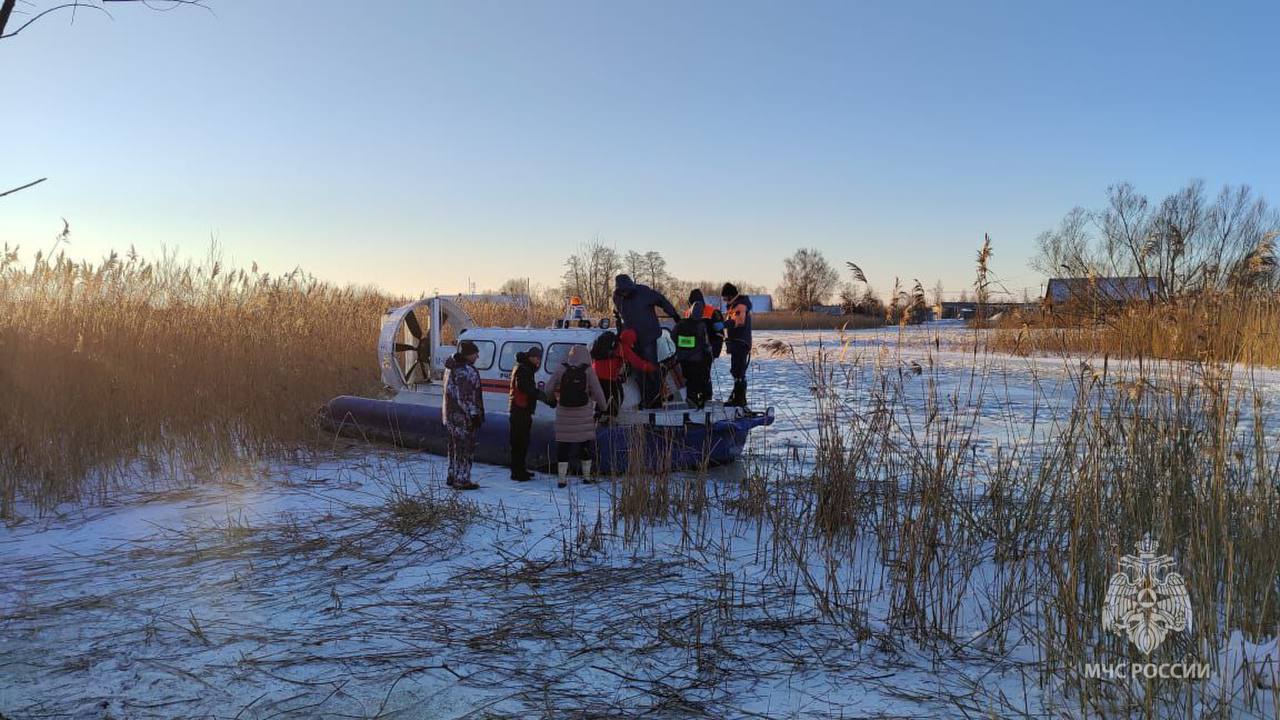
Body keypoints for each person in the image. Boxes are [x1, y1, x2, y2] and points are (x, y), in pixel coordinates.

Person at [611, 274, 679, 408]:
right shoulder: (617, 297)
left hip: (649, 336)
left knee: (652, 368)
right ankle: (646, 398)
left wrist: (673, 314)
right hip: (633, 340)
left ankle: (656, 399)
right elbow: (620, 316)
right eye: (622, 291)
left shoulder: (644, 292)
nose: (625, 293)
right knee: (638, 371)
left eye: (627, 290)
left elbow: (661, 300)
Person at [546, 344, 608, 488]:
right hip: (583, 416)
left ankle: (562, 479)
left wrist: (553, 400)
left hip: (564, 415)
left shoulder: (561, 369)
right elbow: (598, 392)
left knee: (563, 447)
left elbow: (548, 388)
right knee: (585, 446)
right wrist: (604, 407)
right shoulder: (588, 372)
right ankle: (586, 477)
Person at [442, 340, 485, 490]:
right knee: (465, 448)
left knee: (453, 447)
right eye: (475, 353)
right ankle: (462, 479)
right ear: (468, 354)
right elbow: (465, 397)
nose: (477, 356)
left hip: (450, 415)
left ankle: (452, 475)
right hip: (463, 417)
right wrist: (474, 414)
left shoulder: (450, 368)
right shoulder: (465, 371)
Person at [676, 289, 724, 408]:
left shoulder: (712, 312)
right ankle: (697, 399)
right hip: (694, 351)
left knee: (703, 375)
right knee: (697, 375)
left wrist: (714, 351)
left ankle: (705, 398)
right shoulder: (690, 313)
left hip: (705, 350)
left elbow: (719, 334)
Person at [591, 328, 656, 415]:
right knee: (614, 398)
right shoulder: (624, 348)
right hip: (607, 376)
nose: (633, 344)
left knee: (602, 397)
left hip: (595, 372)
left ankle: (599, 416)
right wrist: (653, 367)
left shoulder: (614, 345)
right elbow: (638, 363)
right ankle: (609, 418)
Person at [508, 345, 550, 482]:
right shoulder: (523, 370)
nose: (538, 361)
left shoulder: (523, 368)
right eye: (536, 358)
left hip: (521, 409)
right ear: (530, 357)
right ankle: (517, 472)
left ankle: (520, 469)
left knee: (521, 442)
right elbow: (525, 388)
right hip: (520, 409)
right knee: (520, 442)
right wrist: (544, 397)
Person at [721, 283, 753, 407]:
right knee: (736, 370)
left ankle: (740, 399)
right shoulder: (733, 306)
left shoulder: (740, 305)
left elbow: (738, 321)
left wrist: (724, 325)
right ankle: (737, 396)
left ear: (730, 296)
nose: (724, 301)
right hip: (735, 343)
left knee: (739, 371)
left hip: (741, 342)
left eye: (725, 298)